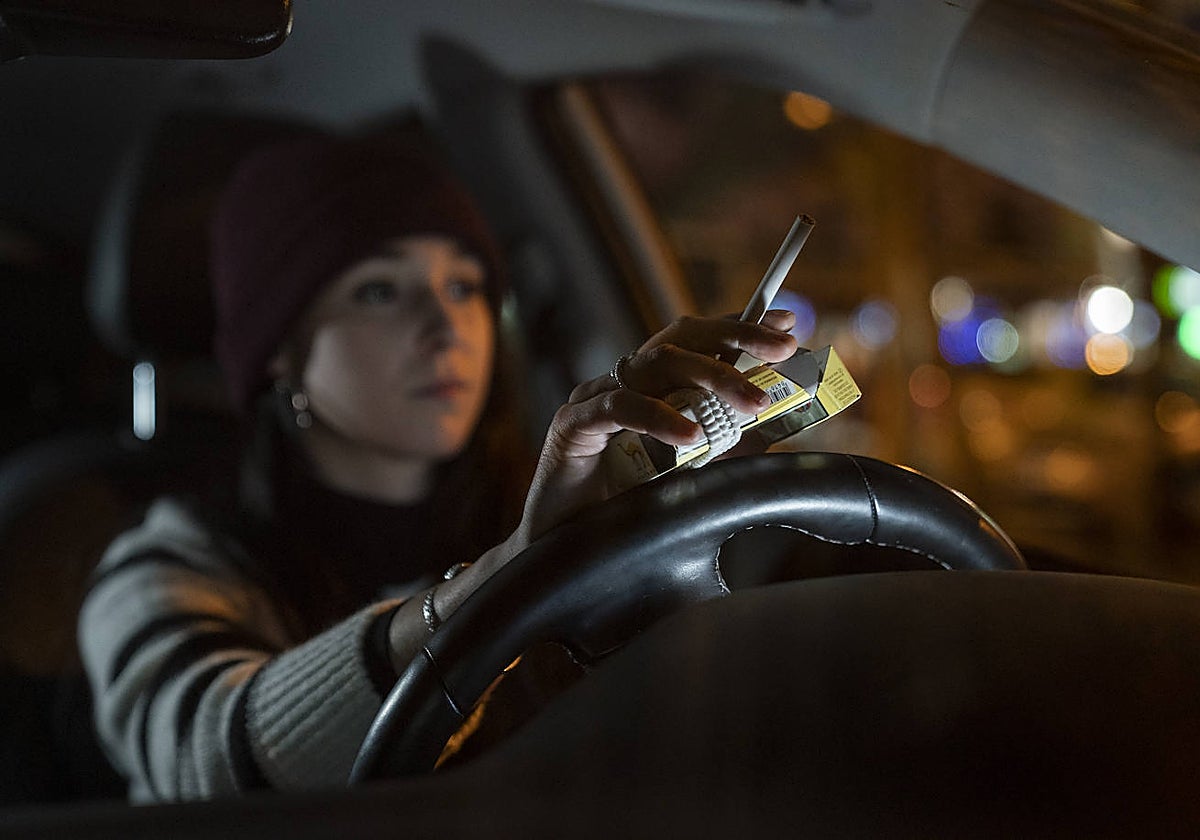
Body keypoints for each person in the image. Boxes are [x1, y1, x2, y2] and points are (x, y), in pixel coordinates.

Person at [78, 131, 799, 801]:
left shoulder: (548, 507)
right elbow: (206, 764)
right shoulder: (167, 565)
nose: (446, 326)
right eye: (380, 291)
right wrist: (507, 576)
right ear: (280, 351)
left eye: (464, 286)